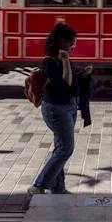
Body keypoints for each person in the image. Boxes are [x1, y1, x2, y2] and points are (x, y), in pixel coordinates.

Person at [29, 23, 92, 195]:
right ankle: (38, 185)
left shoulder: (62, 59)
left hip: (69, 107)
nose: (73, 47)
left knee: (60, 147)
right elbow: (65, 83)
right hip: (56, 109)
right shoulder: (49, 62)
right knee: (65, 149)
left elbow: (72, 79)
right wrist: (65, 60)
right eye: (71, 43)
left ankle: (58, 188)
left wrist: (83, 75)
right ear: (61, 42)